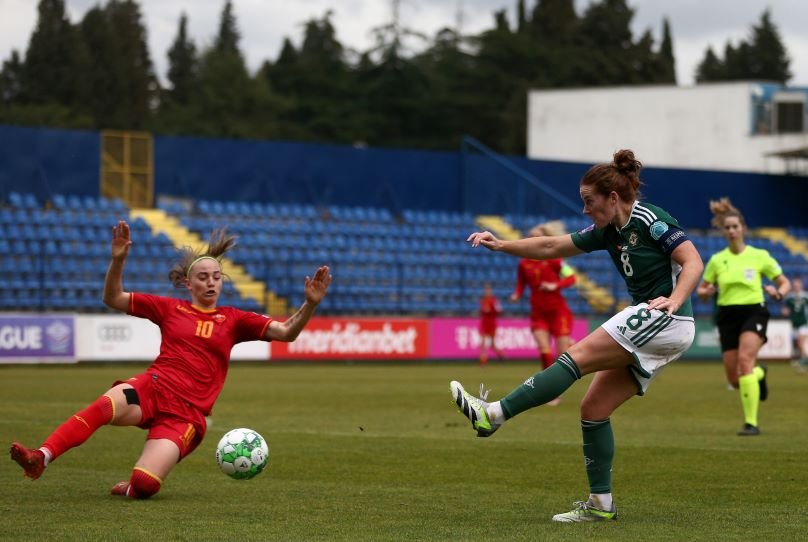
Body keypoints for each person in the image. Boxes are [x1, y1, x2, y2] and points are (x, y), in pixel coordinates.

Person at [451, 149, 703, 522]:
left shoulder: (651, 219)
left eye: (589, 201)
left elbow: (693, 260)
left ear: (612, 198)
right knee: (593, 409)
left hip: (665, 317)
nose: (585, 210)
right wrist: (501, 244)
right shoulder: (608, 231)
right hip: (657, 322)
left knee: (574, 358)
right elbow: (552, 246)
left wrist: (675, 299)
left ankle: (492, 415)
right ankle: (601, 505)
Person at [10, 220, 332, 499]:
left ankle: (131, 488)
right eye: (203, 277)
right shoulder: (169, 308)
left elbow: (287, 331)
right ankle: (41, 456)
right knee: (103, 406)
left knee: (145, 484)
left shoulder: (234, 319)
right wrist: (118, 261)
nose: (210, 282)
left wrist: (310, 305)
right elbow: (113, 298)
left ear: (222, 281)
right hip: (153, 388)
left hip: (187, 416)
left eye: (216, 277)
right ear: (187, 283)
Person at [696, 198, 790, 436]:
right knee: (736, 379)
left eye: (735, 226)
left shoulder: (760, 255)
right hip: (727, 314)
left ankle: (751, 423)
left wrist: (777, 292)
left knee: (746, 361)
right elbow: (702, 290)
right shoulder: (717, 260)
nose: (731, 230)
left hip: (753, 311)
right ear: (723, 231)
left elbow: (784, 282)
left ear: (743, 228)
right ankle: (760, 374)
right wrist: (706, 292)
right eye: (727, 227)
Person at [510, 221, 576, 405]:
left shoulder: (555, 260)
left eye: (536, 236)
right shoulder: (524, 263)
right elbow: (521, 283)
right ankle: (551, 392)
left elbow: (571, 277)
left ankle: (569, 347)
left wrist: (555, 284)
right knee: (544, 350)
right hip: (538, 313)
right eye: (530, 236)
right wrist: (517, 294)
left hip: (558, 312)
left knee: (562, 356)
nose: (533, 239)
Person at [783, 276, 808, 373]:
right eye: (794, 285)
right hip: (794, 324)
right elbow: (785, 309)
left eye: (798, 285)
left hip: (804, 323)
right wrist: (786, 311)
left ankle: (804, 361)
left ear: (801, 286)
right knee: (798, 344)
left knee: (801, 343)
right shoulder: (790, 298)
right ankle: (803, 361)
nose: (796, 287)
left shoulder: (805, 296)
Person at [479, 282, 505, 365]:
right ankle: (483, 362)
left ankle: (501, 355)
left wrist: (491, 311)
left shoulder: (494, 301)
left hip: (492, 323)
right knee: (483, 343)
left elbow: (499, 311)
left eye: (488, 290)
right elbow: (482, 312)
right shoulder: (483, 300)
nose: (487, 292)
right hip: (484, 323)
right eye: (485, 290)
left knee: (492, 344)